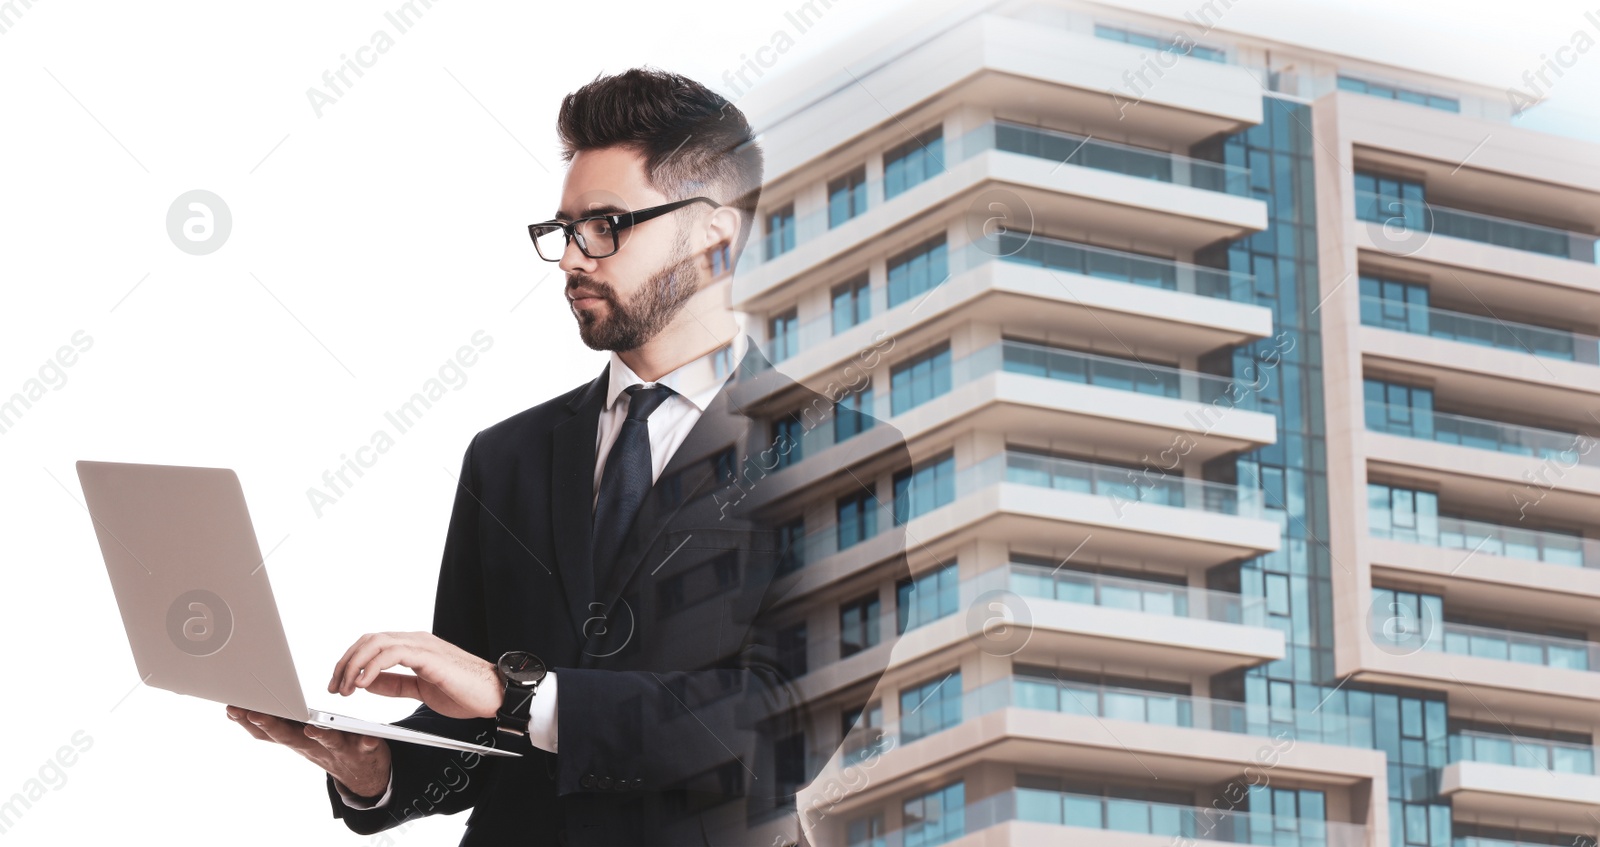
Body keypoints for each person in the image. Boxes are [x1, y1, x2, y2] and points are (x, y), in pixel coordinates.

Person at [226, 67, 910, 846]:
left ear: (715, 233)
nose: (572, 260)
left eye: (607, 225)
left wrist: (520, 695)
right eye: (565, 229)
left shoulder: (844, 457)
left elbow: (780, 727)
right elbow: (482, 731)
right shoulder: (506, 456)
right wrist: (375, 768)